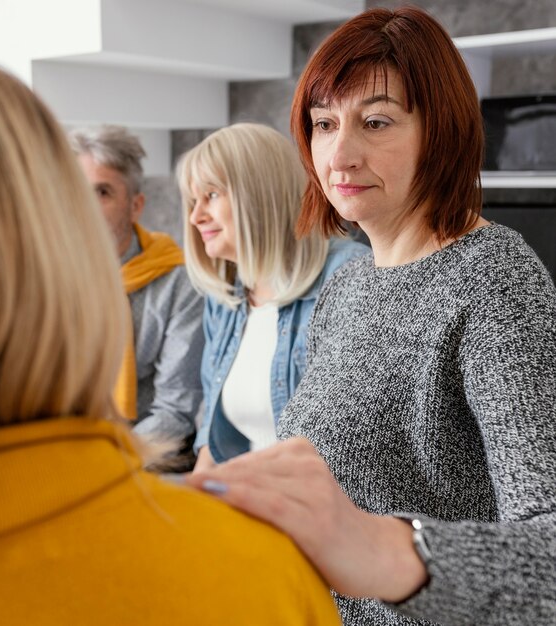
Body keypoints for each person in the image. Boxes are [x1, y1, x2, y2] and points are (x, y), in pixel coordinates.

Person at [0, 58, 342, 626]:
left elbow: (184, 412)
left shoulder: (339, 285)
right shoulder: (224, 292)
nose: (195, 216)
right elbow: (210, 429)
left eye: (100, 191)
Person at [188, 6, 556, 626]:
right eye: (324, 123)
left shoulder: (496, 284)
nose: (339, 155)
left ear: (440, 130)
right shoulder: (352, 282)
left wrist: (384, 549)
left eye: (376, 122)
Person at [176, 123, 368, 468]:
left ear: (259, 193)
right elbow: (211, 439)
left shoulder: (348, 276)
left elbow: (352, 443)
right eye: (193, 200)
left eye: (212, 195)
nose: (195, 216)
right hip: (253, 494)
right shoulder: (225, 296)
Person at [69, 125, 204, 455]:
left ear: (136, 206)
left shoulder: (179, 282)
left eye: (102, 193)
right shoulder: (48, 277)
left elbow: (174, 412)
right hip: (65, 447)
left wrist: (103, 463)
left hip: (149, 454)